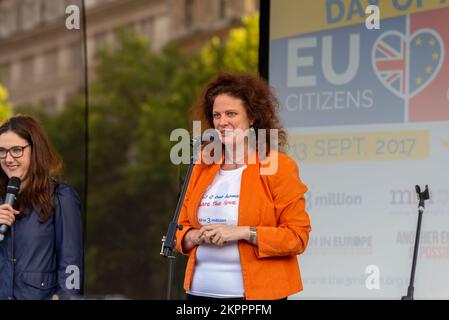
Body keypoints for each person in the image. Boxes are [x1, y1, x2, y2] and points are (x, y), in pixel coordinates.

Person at [176, 72, 311, 300]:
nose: (222, 122)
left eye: (231, 114)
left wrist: (241, 233)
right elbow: (179, 232)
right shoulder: (202, 166)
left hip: (256, 297)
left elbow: (297, 237)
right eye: (217, 115)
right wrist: (197, 236)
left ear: (252, 118)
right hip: (198, 294)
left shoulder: (277, 166)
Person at [0, 114, 83, 300]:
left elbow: (71, 266)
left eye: (16, 150)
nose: (8, 158)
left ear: (34, 149)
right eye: (2, 151)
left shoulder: (60, 196)